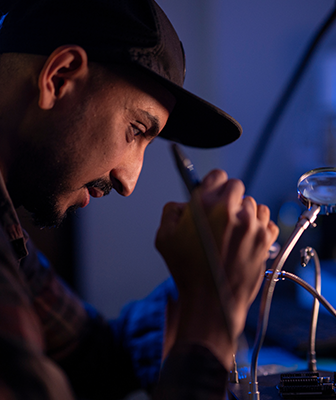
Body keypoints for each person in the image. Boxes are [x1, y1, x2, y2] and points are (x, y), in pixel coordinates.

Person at [0, 0, 279, 399]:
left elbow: (97, 357)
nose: (129, 181)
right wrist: (213, 318)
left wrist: (205, 274)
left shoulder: (9, 235)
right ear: (59, 77)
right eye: (136, 129)